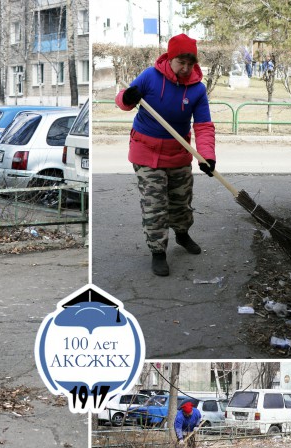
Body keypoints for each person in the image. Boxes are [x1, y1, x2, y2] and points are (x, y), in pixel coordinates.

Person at [115, 33, 216, 277]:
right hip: (145, 151)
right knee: (155, 204)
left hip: (178, 151)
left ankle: (182, 234)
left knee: (181, 200)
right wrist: (126, 98)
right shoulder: (150, 76)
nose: (186, 68)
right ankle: (158, 251)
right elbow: (124, 100)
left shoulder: (197, 90)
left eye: (190, 64)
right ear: (170, 59)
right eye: (181, 62)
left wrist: (207, 156)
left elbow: (203, 126)